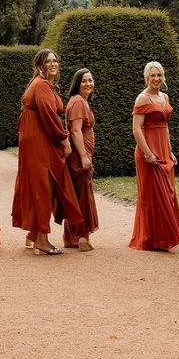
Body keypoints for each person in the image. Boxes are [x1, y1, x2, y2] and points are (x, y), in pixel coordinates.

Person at [11, 49, 83, 255]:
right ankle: (41, 239)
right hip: (38, 142)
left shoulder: (43, 85)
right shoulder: (41, 85)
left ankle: (34, 233)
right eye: (48, 61)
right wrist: (64, 140)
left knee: (42, 186)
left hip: (36, 139)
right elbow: (49, 117)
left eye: (55, 61)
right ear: (39, 66)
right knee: (43, 187)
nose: (53, 64)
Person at [129, 61, 179, 251]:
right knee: (153, 197)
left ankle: (163, 237)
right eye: (152, 75)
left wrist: (170, 151)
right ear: (146, 77)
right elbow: (136, 129)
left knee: (167, 195)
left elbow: (165, 127)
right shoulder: (142, 99)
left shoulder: (164, 97)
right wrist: (148, 153)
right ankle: (153, 239)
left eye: (159, 75)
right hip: (148, 152)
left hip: (163, 150)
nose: (156, 79)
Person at [62, 68, 99, 252]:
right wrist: (84, 156)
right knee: (83, 194)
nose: (88, 84)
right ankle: (83, 237)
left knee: (76, 194)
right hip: (79, 155)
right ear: (77, 83)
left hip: (81, 153)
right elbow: (75, 130)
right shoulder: (77, 102)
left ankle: (70, 236)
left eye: (90, 80)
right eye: (84, 81)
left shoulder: (80, 101)